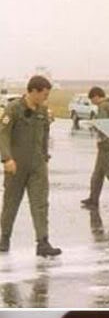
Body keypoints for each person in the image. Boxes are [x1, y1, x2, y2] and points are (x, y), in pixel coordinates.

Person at [0, 75, 61, 257]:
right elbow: (3, 135)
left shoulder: (43, 111)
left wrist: (45, 157)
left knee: (40, 204)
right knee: (11, 203)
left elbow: (45, 135)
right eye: (44, 94)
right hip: (16, 166)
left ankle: (42, 242)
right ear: (33, 91)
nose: (46, 98)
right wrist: (6, 159)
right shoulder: (13, 109)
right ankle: (4, 238)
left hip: (37, 166)